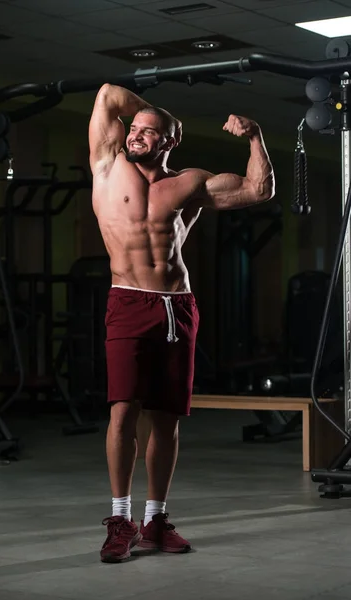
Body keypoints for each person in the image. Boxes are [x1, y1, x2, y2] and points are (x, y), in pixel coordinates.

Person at [88, 83, 275, 563]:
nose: (137, 135)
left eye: (150, 133)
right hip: (128, 300)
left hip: (176, 305)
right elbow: (109, 94)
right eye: (135, 129)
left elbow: (259, 189)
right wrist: (156, 113)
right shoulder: (107, 167)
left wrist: (255, 137)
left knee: (166, 418)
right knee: (122, 411)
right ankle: (120, 518)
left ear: (170, 142)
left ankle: (155, 520)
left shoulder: (190, 183)